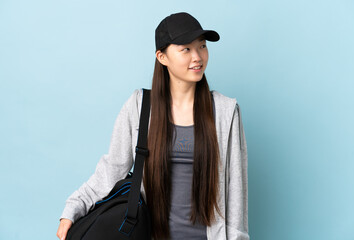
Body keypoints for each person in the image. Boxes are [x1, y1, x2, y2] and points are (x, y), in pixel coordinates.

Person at [57, 12, 249, 240]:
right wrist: (72, 209)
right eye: (186, 49)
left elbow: (236, 193)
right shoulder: (140, 107)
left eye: (202, 47)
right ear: (162, 57)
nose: (197, 57)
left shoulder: (226, 112)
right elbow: (111, 170)